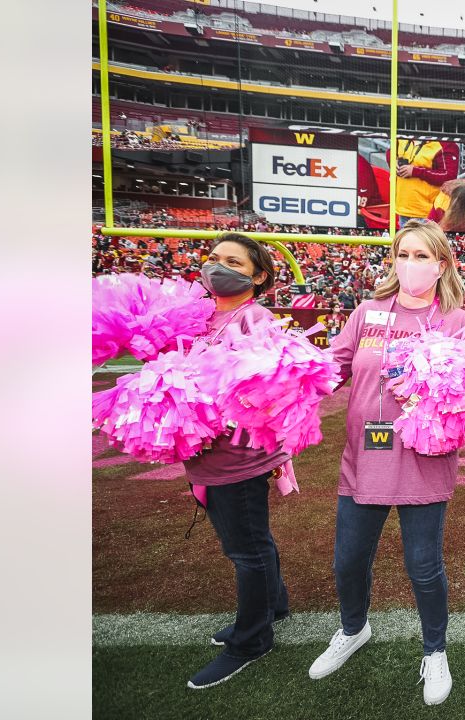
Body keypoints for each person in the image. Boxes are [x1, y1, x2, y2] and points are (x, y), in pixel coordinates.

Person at [309, 220, 465, 705]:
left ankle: (435, 651)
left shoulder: (457, 321)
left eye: (422, 256)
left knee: (423, 565)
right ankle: (353, 629)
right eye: (404, 253)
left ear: (441, 265)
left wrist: (451, 370)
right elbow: (332, 369)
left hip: (423, 460)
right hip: (365, 457)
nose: (411, 264)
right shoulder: (369, 312)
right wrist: (284, 378)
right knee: (349, 560)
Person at [184, 233, 291, 690]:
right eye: (212, 258)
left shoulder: (256, 319)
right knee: (250, 540)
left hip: (238, 457)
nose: (217, 266)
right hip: (204, 454)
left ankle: (251, 639)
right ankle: (274, 605)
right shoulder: (200, 315)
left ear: (258, 276)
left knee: (245, 549)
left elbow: (269, 390)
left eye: (233, 261)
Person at [395, 139, 460, 226]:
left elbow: (449, 176)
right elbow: (391, 151)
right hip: (403, 208)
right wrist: (393, 160)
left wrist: (415, 171)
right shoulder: (403, 136)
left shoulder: (445, 144)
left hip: (427, 214)